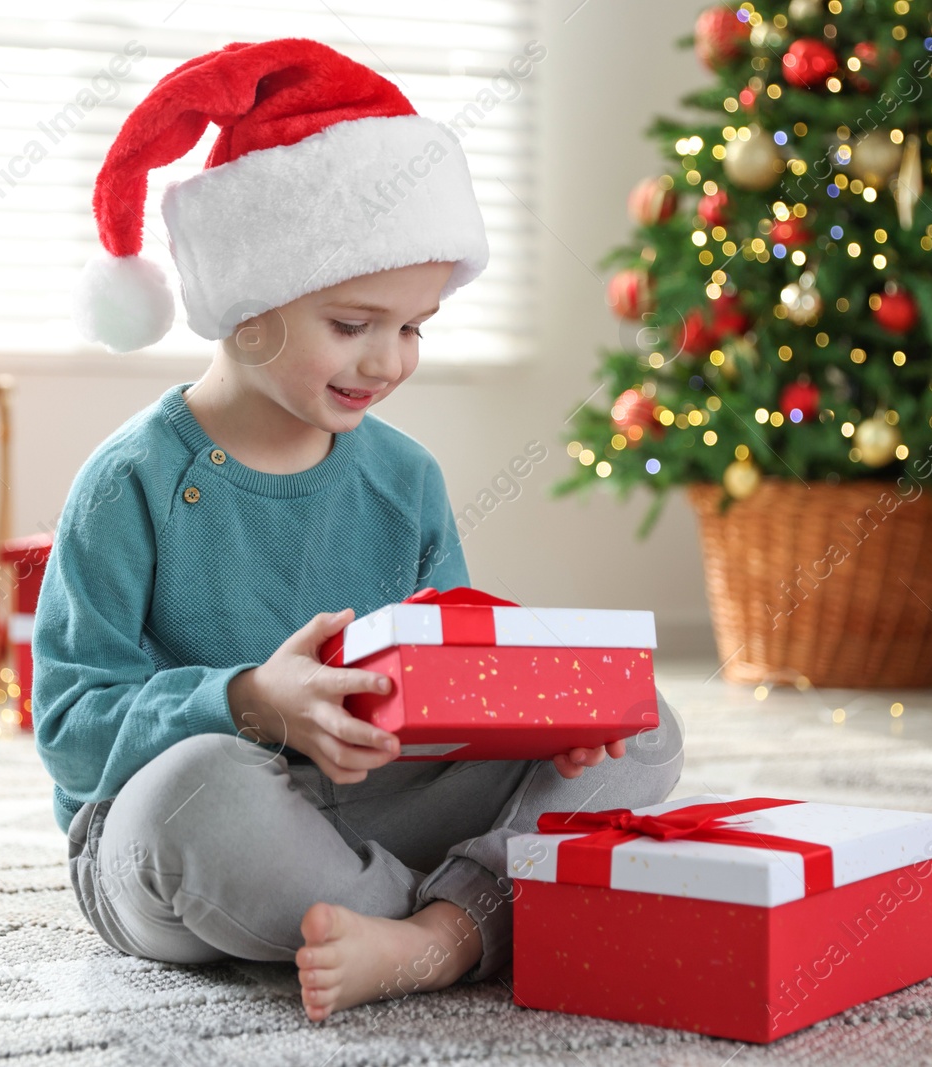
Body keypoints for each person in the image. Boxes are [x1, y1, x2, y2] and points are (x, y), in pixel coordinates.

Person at [34, 36, 686, 1025]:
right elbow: (75, 733)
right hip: (201, 820)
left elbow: (454, 667)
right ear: (249, 304)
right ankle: (464, 918)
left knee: (644, 721)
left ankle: (428, 936)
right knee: (195, 796)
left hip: (379, 797)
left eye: (415, 326)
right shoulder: (132, 480)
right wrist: (251, 701)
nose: (388, 359)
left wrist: (546, 720)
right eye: (354, 323)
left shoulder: (403, 477)